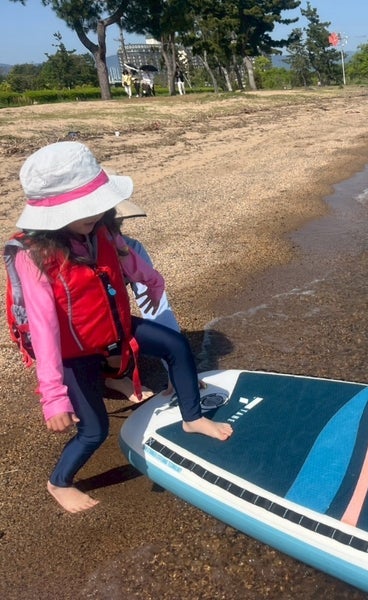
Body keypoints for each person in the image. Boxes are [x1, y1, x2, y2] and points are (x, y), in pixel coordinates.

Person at [6, 141, 233, 513]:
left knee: (175, 345)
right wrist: (53, 396)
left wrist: (152, 280)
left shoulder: (101, 230)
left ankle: (193, 419)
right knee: (94, 431)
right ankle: (58, 481)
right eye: (85, 209)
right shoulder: (35, 257)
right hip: (71, 353)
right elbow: (44, 328)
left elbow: (127, 263)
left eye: (97, 205)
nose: (95, 214)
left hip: (114, 331)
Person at [99, 201, 182, 401]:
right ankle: (103, 376)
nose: (113, 229)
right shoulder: (61, 258)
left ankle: (114, 374)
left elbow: (156, 308)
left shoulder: (131, 248)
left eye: (115, 222)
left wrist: (176, 368)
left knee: (121, 340)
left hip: (107, 319)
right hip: (70, 330)